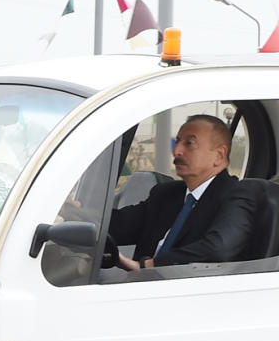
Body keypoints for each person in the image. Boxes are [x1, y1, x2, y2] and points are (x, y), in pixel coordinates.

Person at [106, 115, 262, 269]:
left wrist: (148, 266)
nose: (177, 151)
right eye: (178, 141)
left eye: (190, 143)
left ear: (219, 155)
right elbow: (118, 225)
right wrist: (82, 214)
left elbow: (219, 249)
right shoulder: (166, 194)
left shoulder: (237, 196)